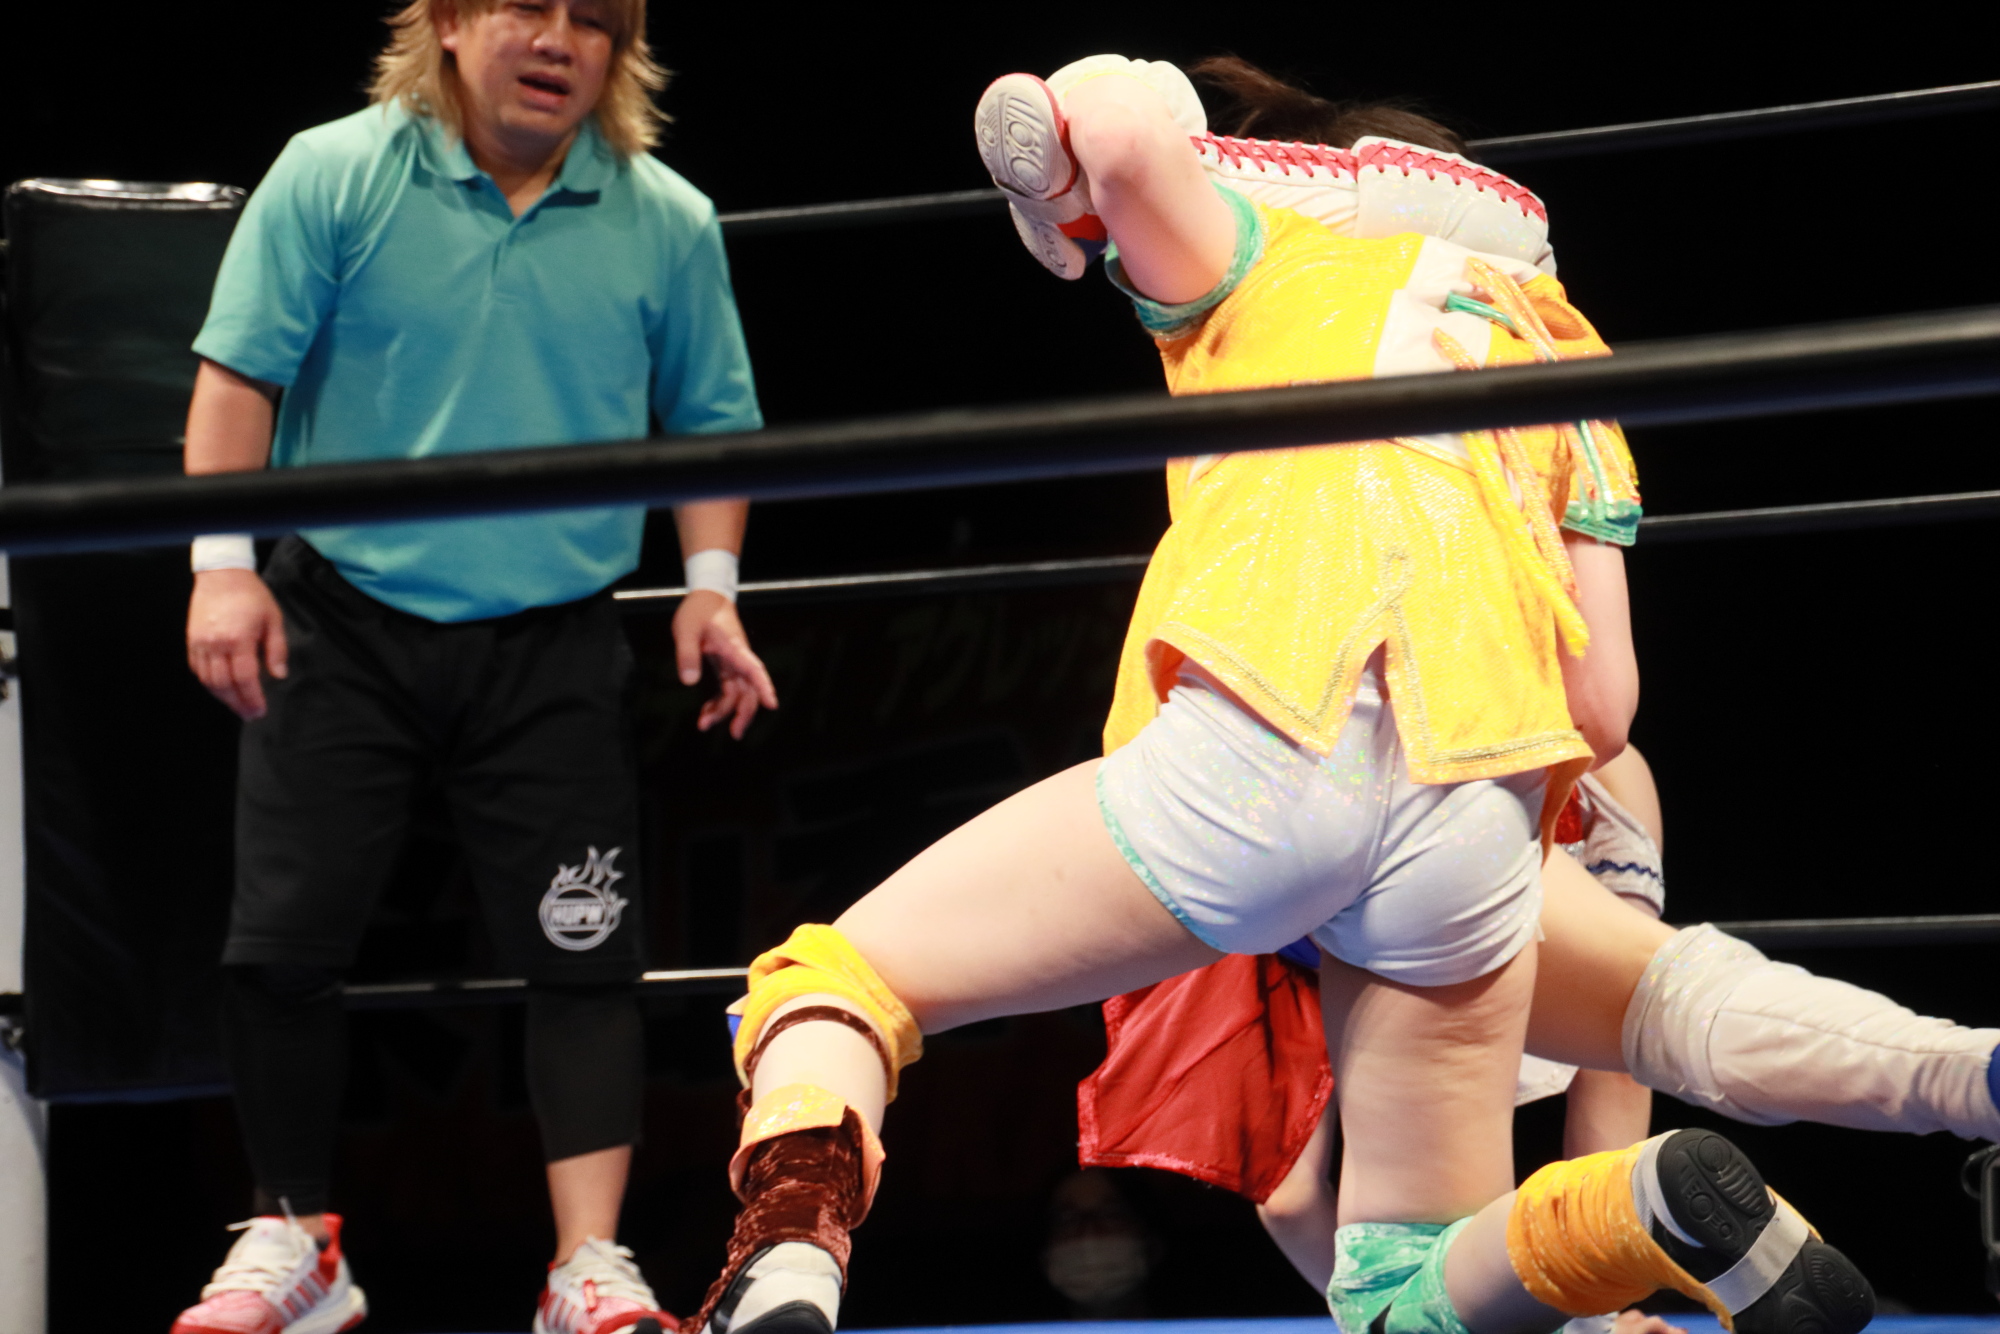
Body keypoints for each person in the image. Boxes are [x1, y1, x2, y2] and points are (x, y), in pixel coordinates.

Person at [686, 54, 1872, 1334]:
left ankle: (786, 1253)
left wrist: (1072, 202)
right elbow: (1604, 708)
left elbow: (1110, 127)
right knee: (1399, 1254)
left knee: (840, 977)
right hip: (1479, 784)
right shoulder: (1551, 353)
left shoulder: (1273, 271)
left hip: (1266, 745)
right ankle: (1637, 1219)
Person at [173, 2, 773, 1331]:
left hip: (553, 631)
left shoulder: (666, 217)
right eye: (525, 8)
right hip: (341, 614)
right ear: (448, 23)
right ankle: (295, 1239)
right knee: (280, 942)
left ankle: (585, 1265)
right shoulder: (333, 171)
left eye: (593, 22)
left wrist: (712, 590)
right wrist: (222, 566)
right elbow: (238, 376)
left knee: (584, 951)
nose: (558, 41)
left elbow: (712, 421)